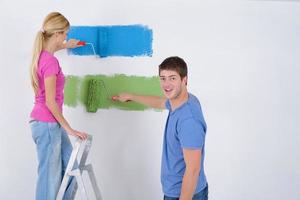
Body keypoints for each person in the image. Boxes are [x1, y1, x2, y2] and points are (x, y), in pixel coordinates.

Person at [113, 56, 208, 200]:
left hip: (185, 194)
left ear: (184, 80)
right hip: (176, 191)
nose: (166, 84)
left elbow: (193, 170)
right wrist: (131, 96)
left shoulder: (189, 121)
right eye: (163, 78)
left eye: (172, 78)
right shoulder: (181, 101)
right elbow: (159, 103)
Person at [29, 12, 88, 200]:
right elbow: (50, 102)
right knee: (49, 179)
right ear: (57, 34)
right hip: (47, 123)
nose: (66, 37)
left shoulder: (43, 55)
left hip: (50, 123)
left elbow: (54, 48)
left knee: (72, 168)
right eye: (65, 34)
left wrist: (67, 46)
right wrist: (70, 129)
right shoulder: (50, 62)